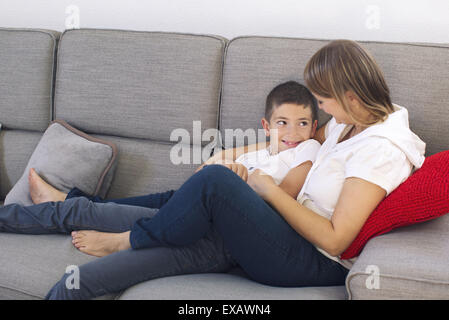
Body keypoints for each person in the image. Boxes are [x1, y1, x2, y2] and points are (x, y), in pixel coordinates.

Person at [0, 40, 426, 299]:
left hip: (305, 260)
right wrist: (248, 163)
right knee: (85, 275)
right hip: (267, 230)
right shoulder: (351, 122)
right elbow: (300, 147)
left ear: (350, 97)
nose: (322, 112)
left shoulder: (381, 150)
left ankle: (130, 240)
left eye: (325, 101)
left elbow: (337, 238)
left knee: (213, 181)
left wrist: (265, 190)